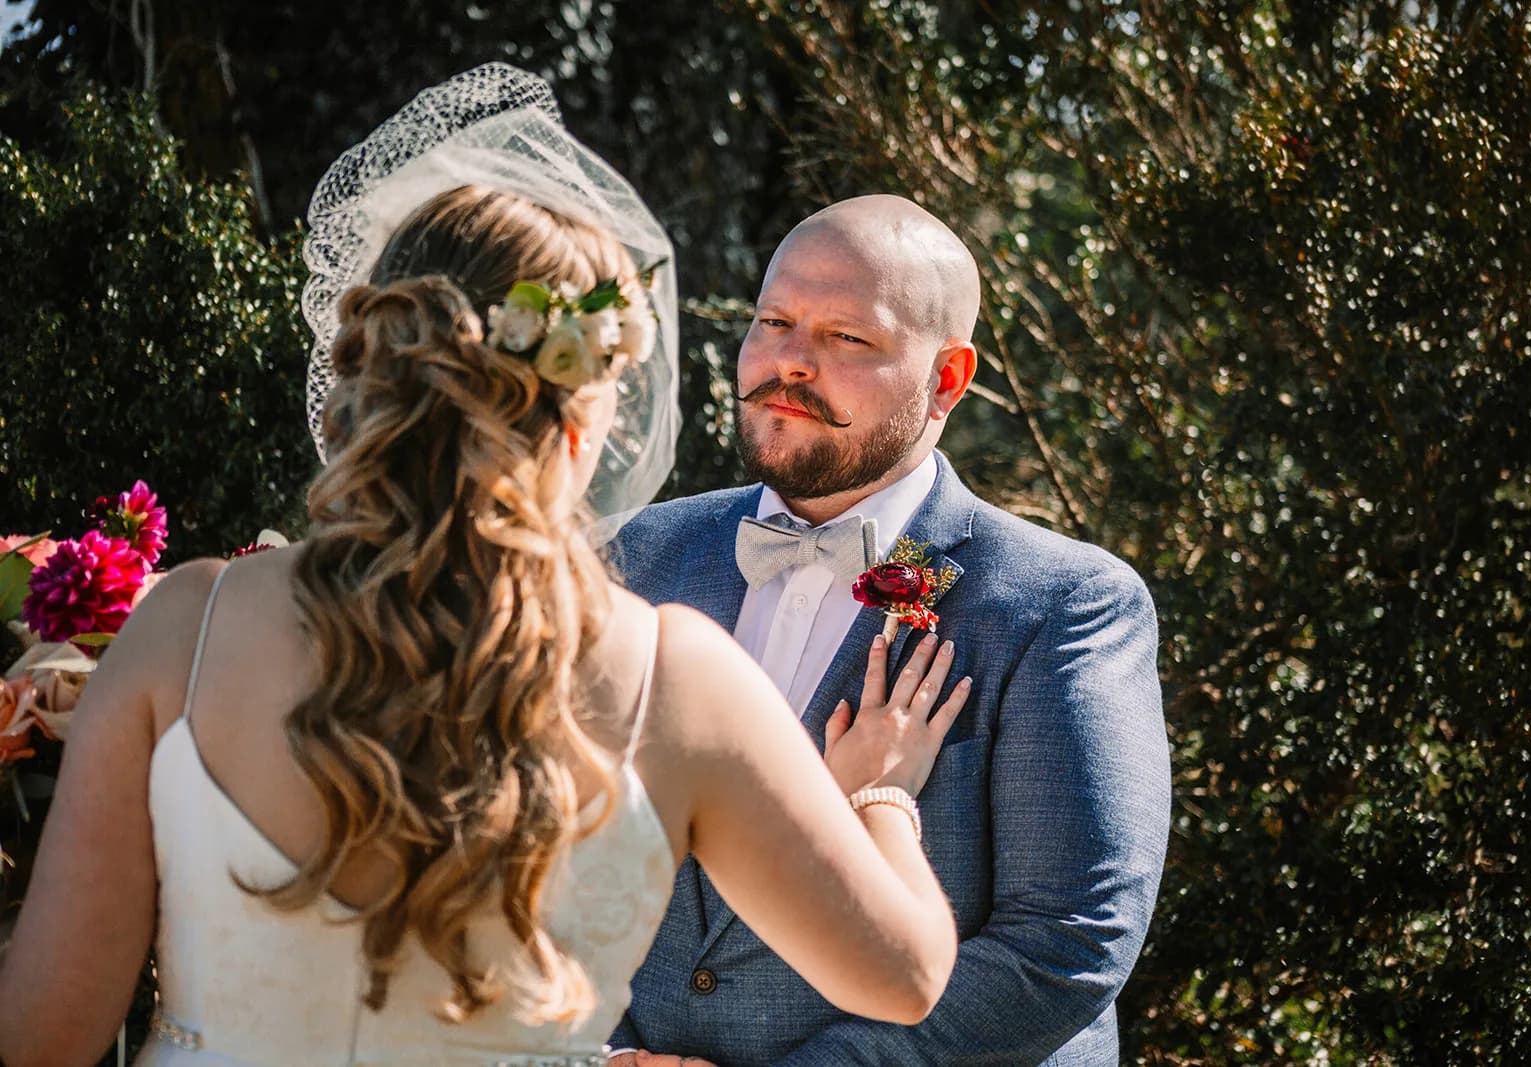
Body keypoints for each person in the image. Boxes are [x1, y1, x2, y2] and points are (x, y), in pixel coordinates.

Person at [0, 66, 964, 1066]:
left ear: (370, 367)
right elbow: (903, 974)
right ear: (586, 411)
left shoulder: (185, 627)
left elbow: (42, 1037)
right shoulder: (680, 678)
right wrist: (878, 791)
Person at [608, 195, 1171, 1067]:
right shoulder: (640, 554)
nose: (791, 361)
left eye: (847, 338)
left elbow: (1066, 942)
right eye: (775, 322)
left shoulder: (1063, 605)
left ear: (947, 379)